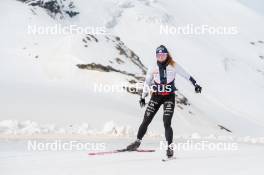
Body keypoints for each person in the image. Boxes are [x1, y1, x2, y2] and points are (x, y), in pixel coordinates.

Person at [126, 45, 202, 158]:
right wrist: (142, 97)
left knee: (167, 122)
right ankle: (137, 142)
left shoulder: (173, 65)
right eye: (158, 55)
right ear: (156, 56)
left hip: (169, 97)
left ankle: (170, 148)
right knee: (146, 119)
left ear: (167, 55)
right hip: (156, 96)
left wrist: (196, 84)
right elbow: (147, 83)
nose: (161, 57)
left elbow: (186, 75)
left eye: (163, 55)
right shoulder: (152, 67)